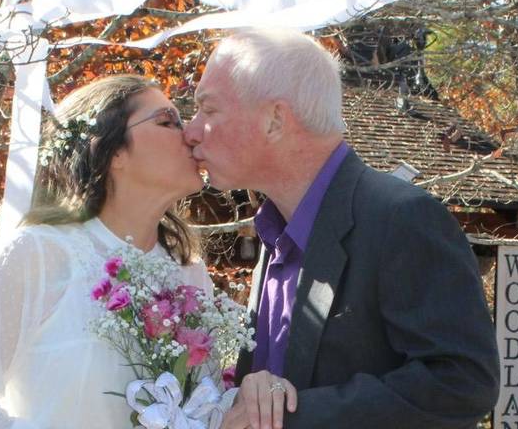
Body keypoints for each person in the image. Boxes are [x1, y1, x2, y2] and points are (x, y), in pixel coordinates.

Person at [183, 29, 500, 429]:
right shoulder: (276, 235)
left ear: (275, 120)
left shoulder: (401, 218)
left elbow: (462, 383)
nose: (191, 131)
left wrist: (292, 417)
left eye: (208, 110)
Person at [0, 74, 212, 428]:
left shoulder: (189, 273)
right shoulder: (40, 253)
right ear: (112, 151)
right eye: (167, 121)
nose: (191, 135)